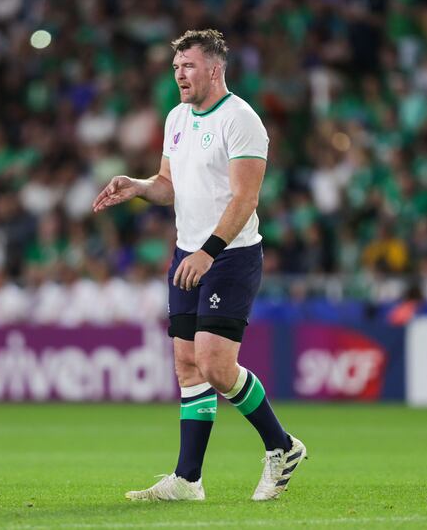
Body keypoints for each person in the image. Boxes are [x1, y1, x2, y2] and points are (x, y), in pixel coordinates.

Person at [93, 29, 306, 502]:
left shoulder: (241, 120)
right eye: (175, 68)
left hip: (229, 255)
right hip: (188, 252)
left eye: (187, 66)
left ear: (214, 68)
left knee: (213, 364)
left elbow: (245, 198)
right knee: (187, 366)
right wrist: (139, 185)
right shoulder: (176, 118)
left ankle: (282, 445)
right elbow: (169, 183)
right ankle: (188, 480)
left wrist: (208, 250)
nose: (179, 76)